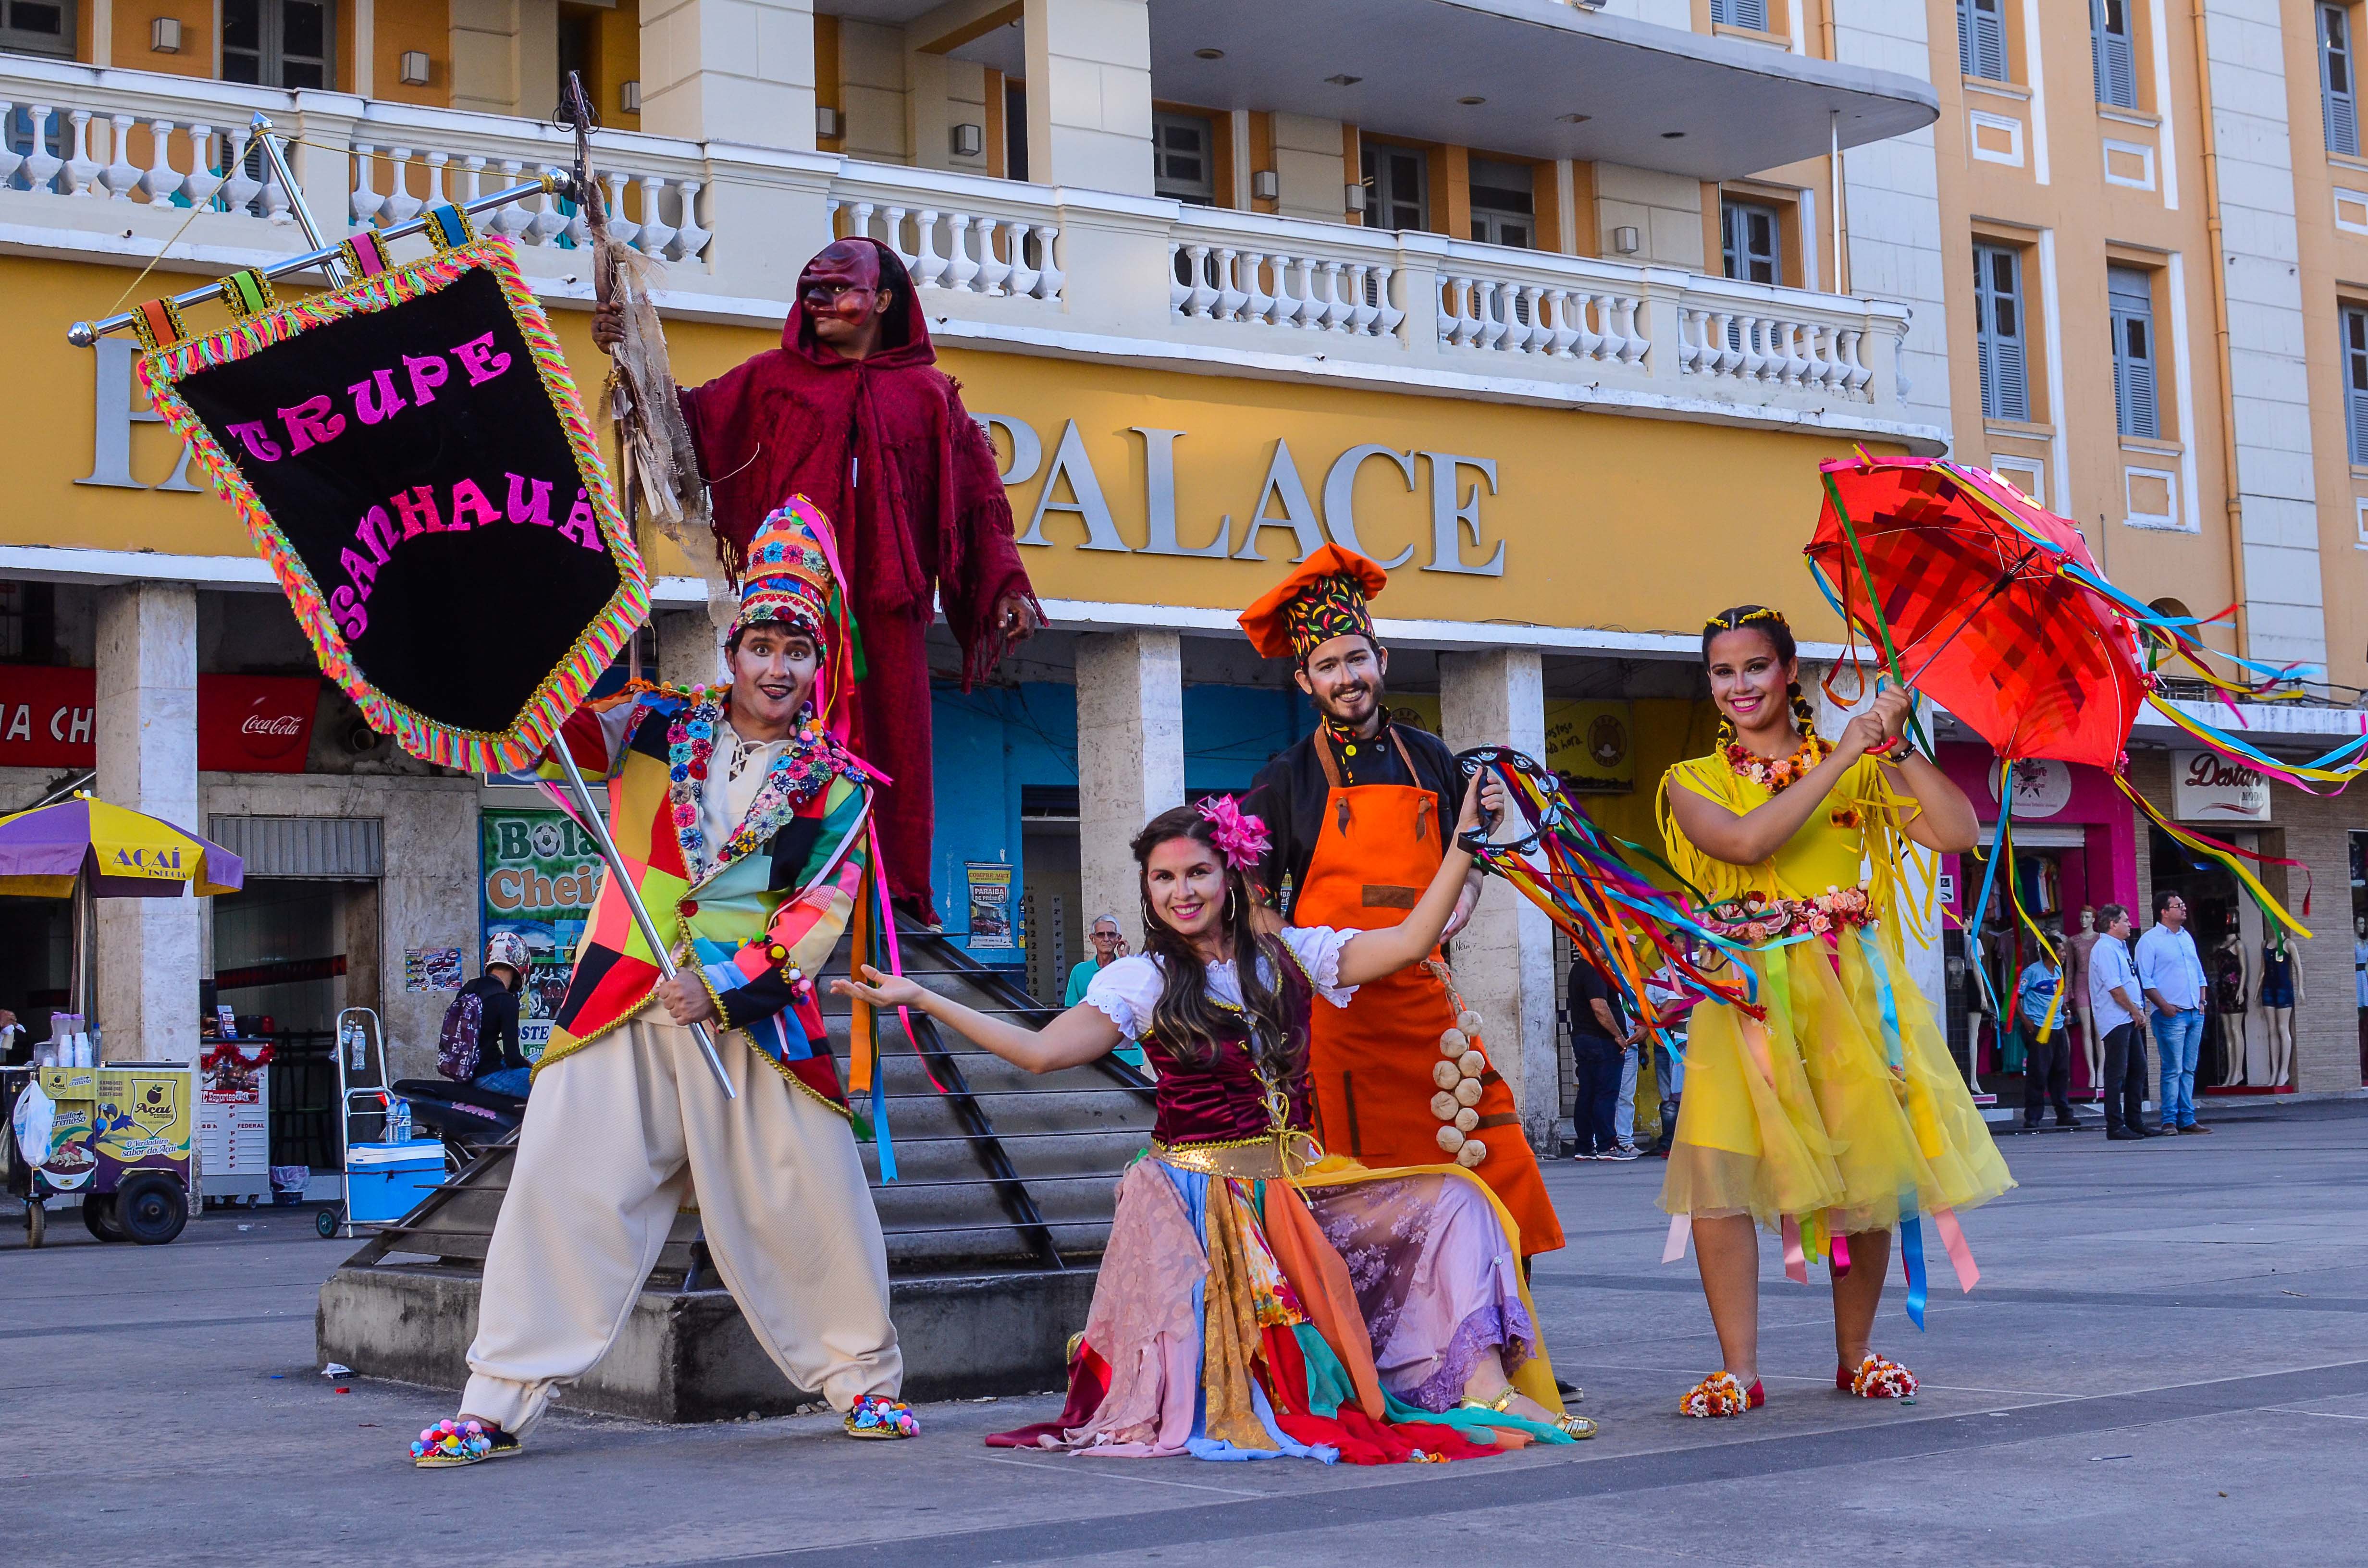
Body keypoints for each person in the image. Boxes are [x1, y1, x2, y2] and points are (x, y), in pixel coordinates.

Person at [839, 785, 1596, 1461]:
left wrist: (1462, 847)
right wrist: (925, 998)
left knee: (1458, 1198)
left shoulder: (1292, 955)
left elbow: (1408, 941)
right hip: (1205, 1206)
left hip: (1301, 1186)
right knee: (1279, 1387)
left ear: (1230, 876)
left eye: (1198, 873)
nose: (1183, 892)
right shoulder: (1143, 980)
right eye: (1164, 879)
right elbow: (1040, 1053)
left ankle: (1485, 1392)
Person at [409, 499, 914, 1470]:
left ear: (819, 664)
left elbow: (816, 916)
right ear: (732, 651)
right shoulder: (650, 719)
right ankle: (494, 1402)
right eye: (761, 646)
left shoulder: (838, 785)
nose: (777, 668)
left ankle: (864, 1382)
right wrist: (501, 647)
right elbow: (543, 732)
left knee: (810, 1199)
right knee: (559, 1191)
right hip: (617, 998)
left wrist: (721, 988)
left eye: (796, 652)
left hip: (753, 1024)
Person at [594, 237, 1042, 926]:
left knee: (894, 749)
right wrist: (629, 356)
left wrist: (1005, 586)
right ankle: (778, 884)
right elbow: (684, 428)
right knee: (781, 739)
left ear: (883, 300)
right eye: (811, 291)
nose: (820, 303)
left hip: (889, 615)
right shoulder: (770, 379)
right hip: (791, 613)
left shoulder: (929, 396)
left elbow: (976, 505)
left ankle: (892, 898)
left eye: (838, 290)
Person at [1656, 606, 2013, 1419]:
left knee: (1866, 1170)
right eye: (1722, 672)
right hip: (1743, 1000)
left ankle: (1855, 1355)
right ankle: (1738, 1368)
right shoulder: (1689, 778)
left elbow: (1958, 831)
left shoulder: (1859, 763)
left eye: (1755, 666)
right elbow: (1746, 843)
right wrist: (1844, 753)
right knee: (1719, 1173)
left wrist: (1898, 743)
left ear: (1789, 672)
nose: (1739, 685)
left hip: (1848, 998)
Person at [1237, 545, 1564, 1260]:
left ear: (1380, 660)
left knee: (1497, 1164)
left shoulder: (1432, 756)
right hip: (1341, 1023)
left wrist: (1466, 895)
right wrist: (1304, 957)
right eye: (1328, 665)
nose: (1346, 678)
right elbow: (1253, 906)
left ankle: (1506, 1326)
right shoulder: (1283, 779)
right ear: (1304, 680)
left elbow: (1467, 861)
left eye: (1357, 659)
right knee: (1363, 1201)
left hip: (1432, 1010)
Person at [2136, 890, 2210, 1135]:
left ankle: (2187, 1118)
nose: (2184, 908)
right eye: (2178, 906)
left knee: (2189, 1068)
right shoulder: (2150, 941)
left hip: (2194, 1012)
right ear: (2164, 912)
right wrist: (2165, 1006)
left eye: (2183, 904)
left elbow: (2199, 973)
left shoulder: (2186, 937)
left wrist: (2202, 1002)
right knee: (2172, 1069)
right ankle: (2169, 1119)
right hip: (2171, 1015)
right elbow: (2145, 979)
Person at [2087, 904, 2154, 1140]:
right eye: (2125, 921)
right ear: (2112, 924)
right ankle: (2115, 1125)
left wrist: (2137, 1010)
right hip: (2116, 1018)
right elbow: (2115, 988)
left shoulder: (2120, 947)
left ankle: (2135, 1121)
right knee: (2117, 1072)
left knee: (2138, 1067)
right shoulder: (2105, 948)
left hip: (2128, 1016)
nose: (2130, 925)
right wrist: (2135, 1010)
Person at [1566, 959, 1632, 1161]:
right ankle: (1607, 1145)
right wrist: (1618, 1036)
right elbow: (1600, 1007)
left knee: (1588, 1093)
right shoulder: (1595, 968)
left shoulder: (1579, 967)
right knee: (1605, 1093)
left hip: (1585, 1038)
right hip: (1602, 1041)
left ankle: (1585, 1146)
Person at [1066, 913, 1145, 1071]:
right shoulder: (1080, 971)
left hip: (1127, 1055)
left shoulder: (1131, 967)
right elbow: (1071, 1013)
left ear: (1119, 939)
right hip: (1093, 1054)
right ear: (1092, 939)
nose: (1106, 939)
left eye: (1111, 934)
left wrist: (1126, 962)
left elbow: (1141, 1004)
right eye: (1101, 934)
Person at [2014, 943, 2077, 1129]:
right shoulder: (2032, 972)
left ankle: (2064, 1114)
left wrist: (2066, 1011)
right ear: (2050, 953)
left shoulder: (2058, 971)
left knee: (2061, 1072)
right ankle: (2033, 1116)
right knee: (2038, 1072)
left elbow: (2058, 996)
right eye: (2061, 951)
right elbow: (2015, 998)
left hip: (2058, 1027)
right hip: (2040, 1028)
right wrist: (2026, 1021)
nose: (2064, 954)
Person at [464, 933, 530, 1098]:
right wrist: (530, 1065)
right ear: (521, 961)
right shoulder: (506, 1000)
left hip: (466, 1072)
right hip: (488, 1075)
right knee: (549, 1089)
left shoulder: (470, 987)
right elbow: (513, 1058)